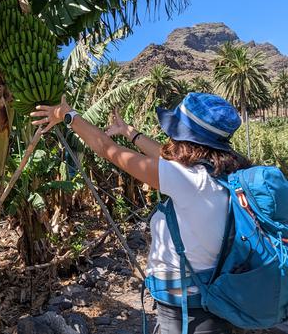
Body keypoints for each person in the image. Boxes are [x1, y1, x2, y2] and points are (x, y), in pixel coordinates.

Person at [30, 92, 250, 334]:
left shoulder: (187, 180)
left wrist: (67, 115)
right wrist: (129, 132)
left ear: (186, 138)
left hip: (187, 316)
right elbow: (166, 158)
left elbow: (107, 149)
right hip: (214, 303)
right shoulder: (224, 174)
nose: (170, 137)